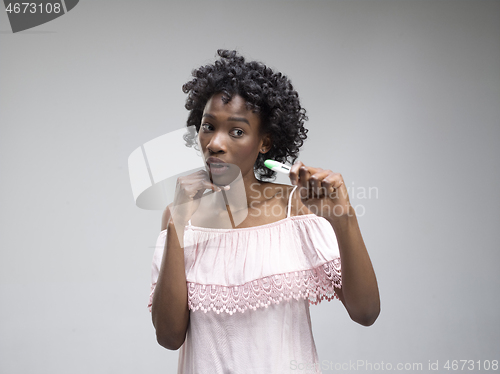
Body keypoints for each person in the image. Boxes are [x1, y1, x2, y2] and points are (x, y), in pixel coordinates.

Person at [148, 49, 380, 373]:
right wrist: (178, 225)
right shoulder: (179, 215)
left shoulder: (295, 209)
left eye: (237, 131)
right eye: (207, 126)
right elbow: (169, 336)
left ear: (265, 142)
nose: (214, 143)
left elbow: (366, 312)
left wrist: (344, 220)